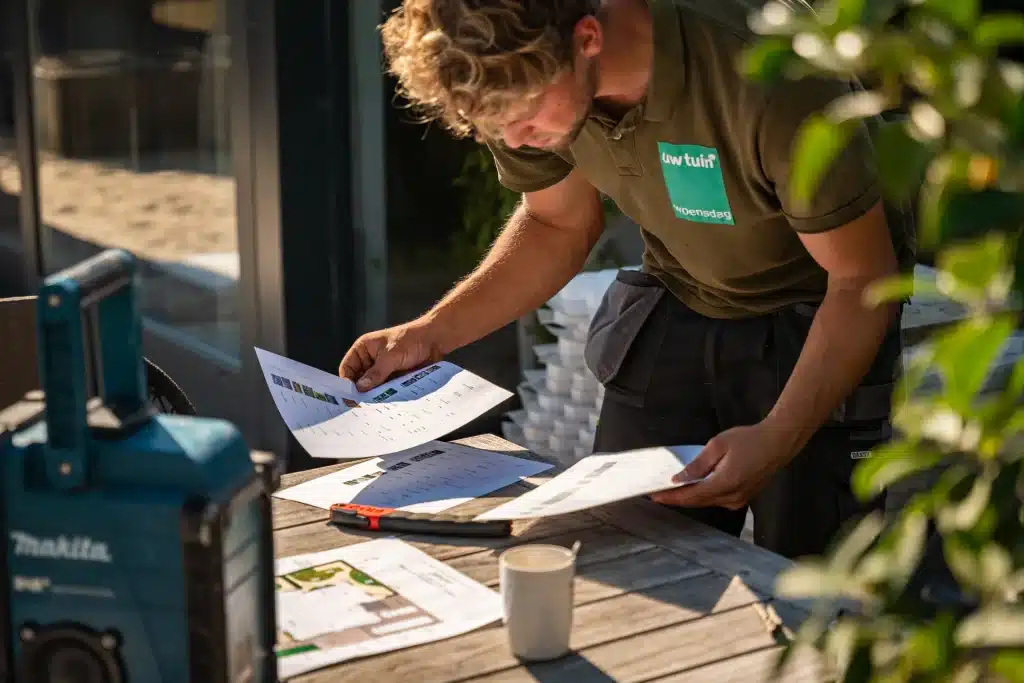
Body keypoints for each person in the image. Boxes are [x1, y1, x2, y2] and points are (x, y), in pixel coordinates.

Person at [340, 0, 915, 560]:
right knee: (625, 549)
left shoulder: (769, 73)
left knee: (813, 591)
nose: (515, 139)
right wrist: (431, 332)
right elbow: (556, 221)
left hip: (816, 322)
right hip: (681, 295)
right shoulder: (509, 78)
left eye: (525, 115)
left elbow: (860, 279)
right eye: (494, 125)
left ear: (588, 38)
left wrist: (779, 436)